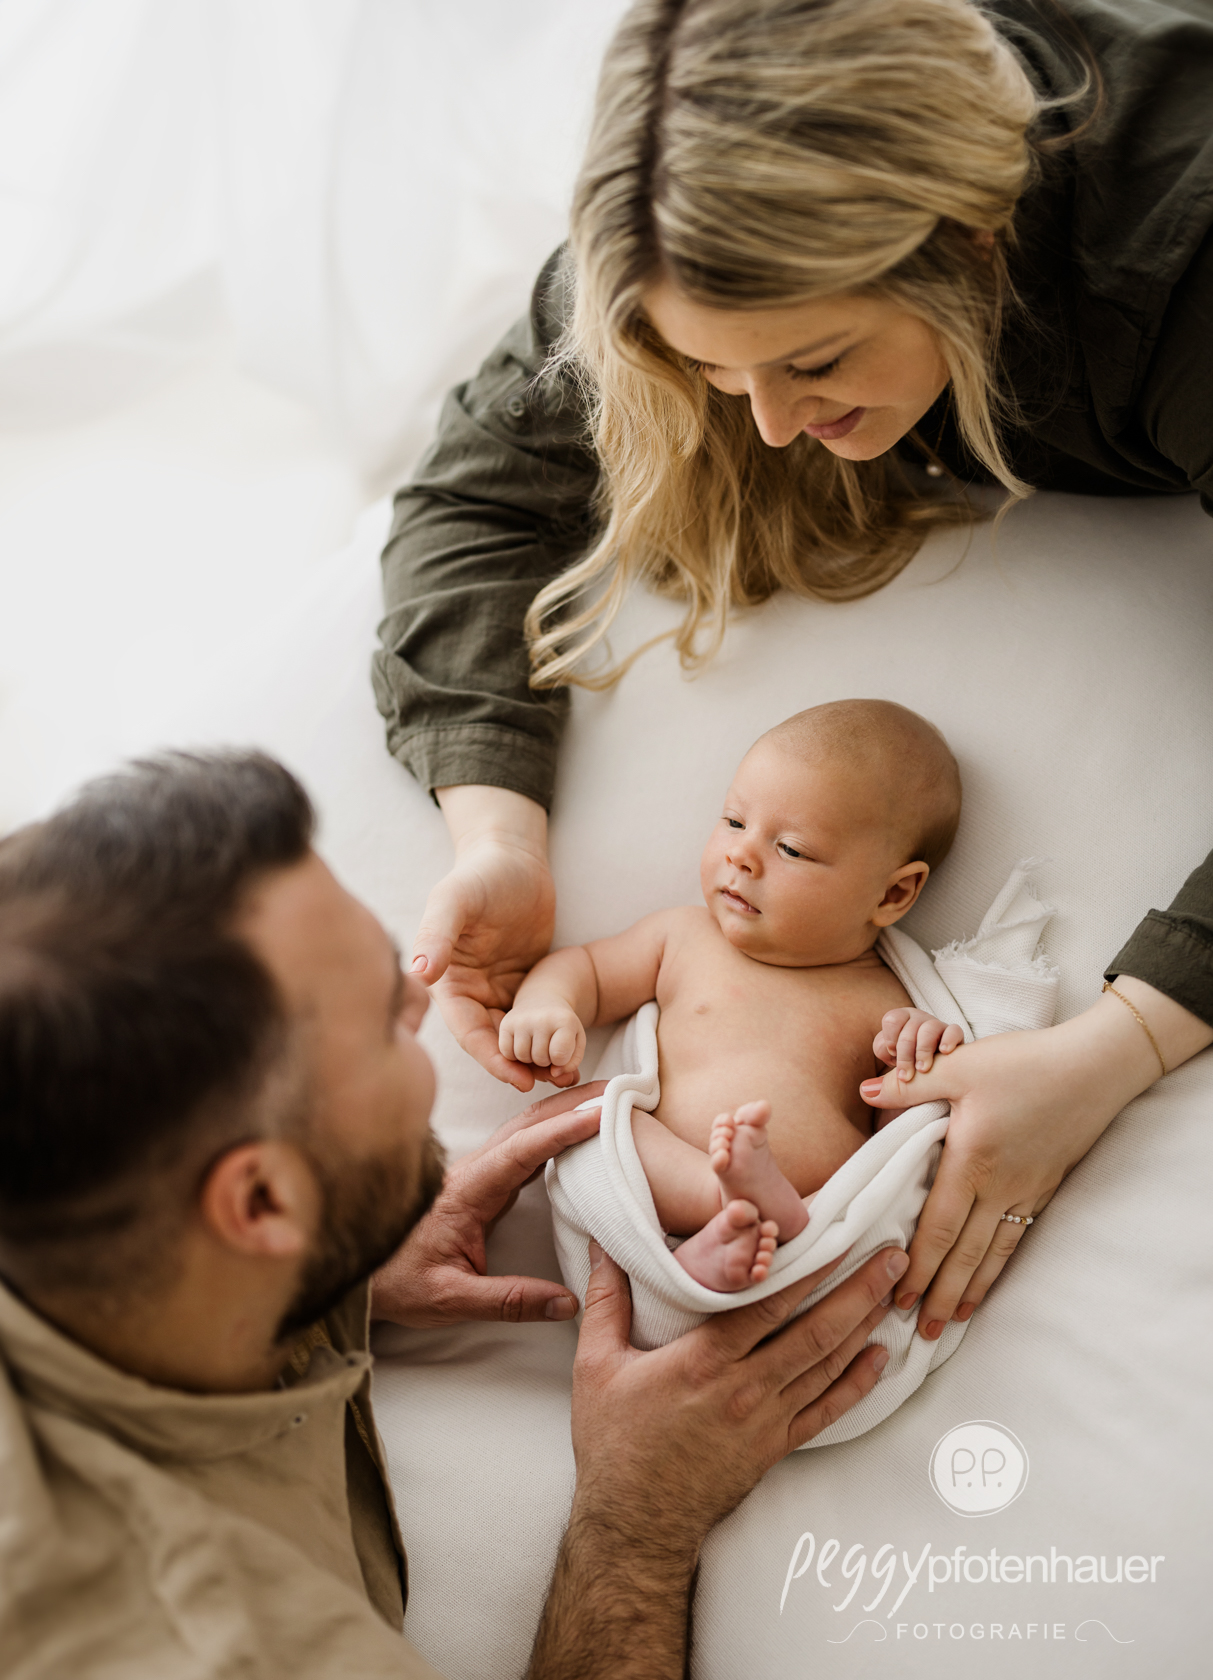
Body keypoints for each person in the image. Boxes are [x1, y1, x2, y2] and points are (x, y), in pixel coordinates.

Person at [371, 0, 1213, 1341]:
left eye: (814, 362)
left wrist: (1122, 1045)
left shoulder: (1174, 265)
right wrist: (496, 829)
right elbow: (468, 503)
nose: (769, 425)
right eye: (711, 372)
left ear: (971, 239)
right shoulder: (686, 238)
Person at [0, 749, 904, 1680]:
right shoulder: (235, 1645)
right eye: (383, 1021)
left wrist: (328, 1276)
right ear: (261, 1200)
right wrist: (637, 1521)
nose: (422, 999)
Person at [496, 699, 961, 1290]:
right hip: (657, 1197)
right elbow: (586, 968)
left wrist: (913, 1053)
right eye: (735, 822)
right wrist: (547, 1005)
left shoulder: (887, 1001)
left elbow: (900, 1142)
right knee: (594, 1119)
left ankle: (742, 1231)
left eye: (790, 848)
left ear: (893, 895)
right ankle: (725, 1212)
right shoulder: (684, 938)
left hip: (810, 1226)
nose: (741, 854)